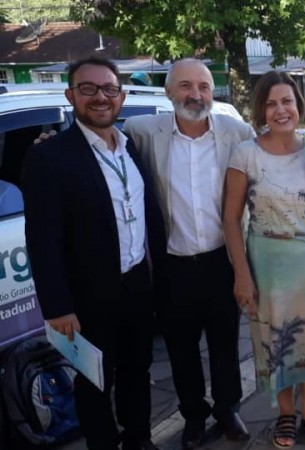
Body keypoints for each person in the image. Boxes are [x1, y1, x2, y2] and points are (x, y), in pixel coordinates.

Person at [22, 56, 164, 450]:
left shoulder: (129, 147)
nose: (100, 97)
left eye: (109, 89)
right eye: (88, 89)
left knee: (138, 369)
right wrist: (56, 306)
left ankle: (139, 440)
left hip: (135, 283)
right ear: (71, 95)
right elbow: (42, 239)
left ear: (121, 96)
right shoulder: (49, 156)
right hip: (86, 296)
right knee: (94, 380)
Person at [124, 59, 254, 449]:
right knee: (181, 350)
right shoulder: (142, 132)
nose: (195, 95)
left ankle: (227, 409)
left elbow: (275, 150)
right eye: (185, 86)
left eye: (203, 87)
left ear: (212, 93)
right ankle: (194, 415)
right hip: (172, 266)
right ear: (168, 92)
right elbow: (98, 148)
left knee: (225, 344)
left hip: (221, 261)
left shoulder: (236, 132)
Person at [222, 71, 305, 449]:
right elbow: (231, 219)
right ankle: (285, 415)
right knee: (274, 342)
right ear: (261, 110)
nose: (280, 110)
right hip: (266, 264)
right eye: (271, 103)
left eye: (287, 101)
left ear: (298, 105)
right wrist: (242, 274)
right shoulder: (246, 153)